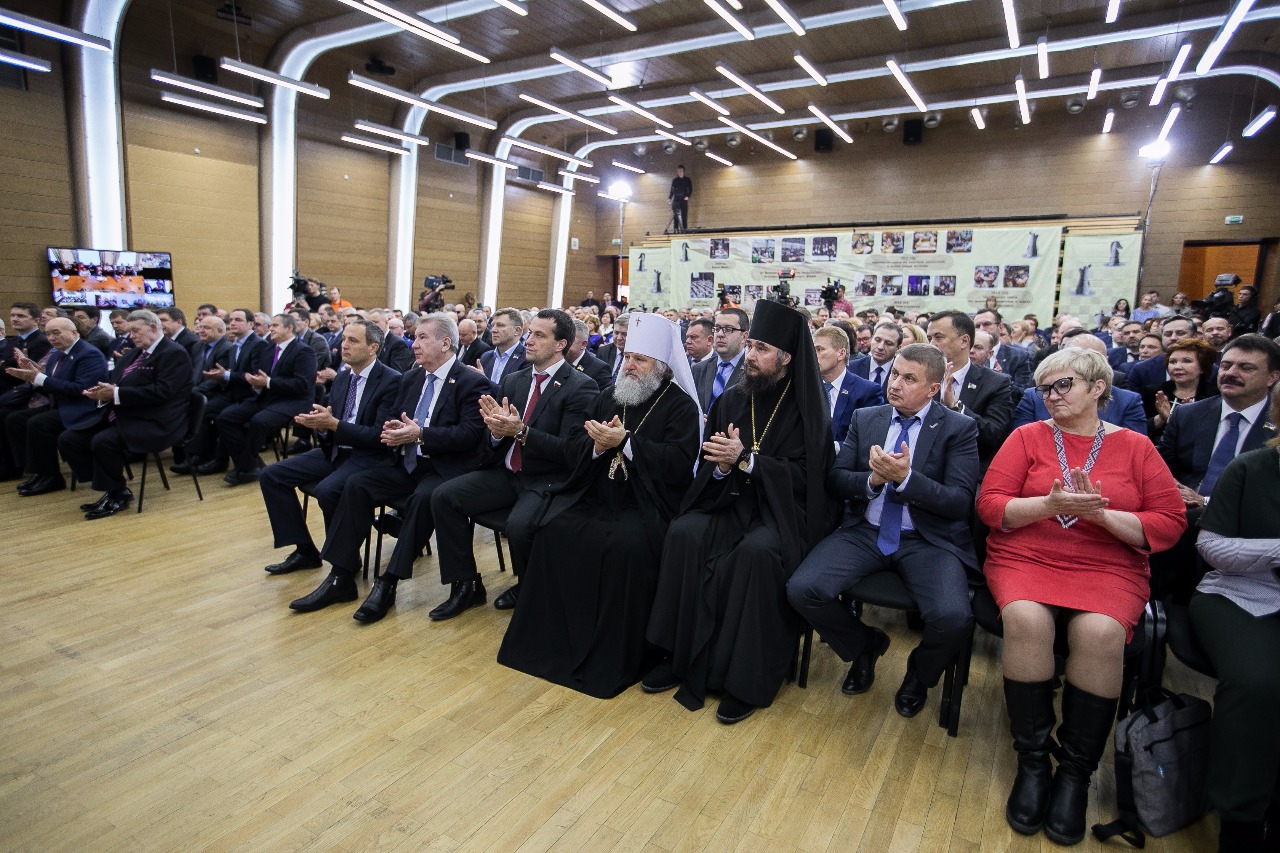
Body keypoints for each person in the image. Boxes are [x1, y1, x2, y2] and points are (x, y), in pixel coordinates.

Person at [976, 348, 1185, 845]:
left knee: (1101, 632)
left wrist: (1101, 517)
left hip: (1107, 564)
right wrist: (1046, 506)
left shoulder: (1136, 446)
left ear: (1097, 388)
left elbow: (1170, 522)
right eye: (1045, 388)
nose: (1051, 396)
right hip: (1027, 556)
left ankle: (1075, 772)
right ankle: (1033, 762)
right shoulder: (1027, 437)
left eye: (1063, 385)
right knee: (1026, 619)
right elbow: (990, 506)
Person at [644, 299, 839, 725]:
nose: (750, 355)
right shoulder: (733, 400)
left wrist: (747, 461)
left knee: (756, 554)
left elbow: (808, 478)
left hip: (782, 513)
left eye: (761, 349)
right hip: (729, 500)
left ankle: (745, 678)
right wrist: (720, 468)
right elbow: (709, 462)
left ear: (786, 358)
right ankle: (676, 655)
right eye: (750, 346)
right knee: (684, 532)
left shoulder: (809, 409)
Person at [498, 313, 701, 698]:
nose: (630, 365)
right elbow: (575, 445)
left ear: (661, 367)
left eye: (640, 360)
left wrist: (626, 443)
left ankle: (617, 651)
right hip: (597, 492)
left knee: (624, 547)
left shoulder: (680, 407)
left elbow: (678, 464)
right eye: (628, 357)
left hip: (647, 503)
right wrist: (595, 445)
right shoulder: (611, 395)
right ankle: (553, 641)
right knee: (553, 530)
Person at [788, 344, 980, 719]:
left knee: (953, 618)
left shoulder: (958, 428)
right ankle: (865, 645)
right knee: (802, 589)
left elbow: (959, 502)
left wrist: (907, 480)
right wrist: (873, 480)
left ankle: (919, 675)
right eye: (894, 373)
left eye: (909, 378)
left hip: (927, 540)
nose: (895, 384)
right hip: (866, 530)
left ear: (933, 389)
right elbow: (837, 479)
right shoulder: (868, 418)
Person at [289, 314, 494, 619]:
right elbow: (396, 419)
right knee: (357, 483)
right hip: (408, 463)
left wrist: (421, 434)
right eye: (415, 337)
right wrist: (395, 429)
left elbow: (469, 435)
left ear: (445, 343)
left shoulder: (471, 381)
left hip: (445, 467)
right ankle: (341, 575)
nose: (414, 344)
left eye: (423, 337)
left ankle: (388, 582)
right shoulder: (411, 378)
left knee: (424, 498)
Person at [428, 309, 599, 619]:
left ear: (561, 344)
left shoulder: (580, 386)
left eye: (539, 335)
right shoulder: (514, 380)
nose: (528, 340)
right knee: (443, 496)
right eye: (530, 333)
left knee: (518, 527)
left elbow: (571, 451)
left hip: (546, 479)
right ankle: (465, 585)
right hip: (507, 472)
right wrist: (496, 432)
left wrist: (521, 431)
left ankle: (528, 586)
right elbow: (495, 438)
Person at [1191, 385, 1280, 853]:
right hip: (1243, 593)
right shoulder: (1251, 467)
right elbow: (1213, 547)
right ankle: (1240, 816)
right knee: (1256, 684)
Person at [257, 319, 401, 577]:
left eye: (353, 341)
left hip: (369, 456)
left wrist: (333, 424)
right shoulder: (343, 377)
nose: (344, 345)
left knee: (327, 490)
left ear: (373, 348)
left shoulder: (391, 381)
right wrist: (322, 427)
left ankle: (345, 559)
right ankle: (305, 551)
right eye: (344, 339)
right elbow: (333, 424)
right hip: (337, 450)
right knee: (271, 475)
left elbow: (378, 436)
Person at [1153, 334, 1280, 603]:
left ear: (1272, 377)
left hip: (1249, 528)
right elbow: (1159, 469)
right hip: (1183, 519)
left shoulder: (1277, 424)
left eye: (1245, 367)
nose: (1231, 373)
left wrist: (1207, 502)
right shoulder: (1187, 414)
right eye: (1226, 365)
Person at [58, 310, 193, 519]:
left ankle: (117, 493)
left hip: (156, 419)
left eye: (136, 331)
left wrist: (115, 393)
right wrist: (102, 393)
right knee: (70, 439)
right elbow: (116, 383)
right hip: (126, 412)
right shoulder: (133, 353)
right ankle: (111, 486)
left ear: (153, 328)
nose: (131, 336)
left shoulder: (174, 353)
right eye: (130, 332)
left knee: (103, 442)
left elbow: (163, 392)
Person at [3, 317, 108, 495]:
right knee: (15, 419)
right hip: (61, 403)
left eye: (56, 333)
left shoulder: (89, 354)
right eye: (48, 333)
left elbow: (81, 389)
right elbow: (51, 385)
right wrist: (33, 376)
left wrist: (39, 378)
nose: (51, 337)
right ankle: (37, 470)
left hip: (83, 407)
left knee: (38, 423)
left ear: (73, 333)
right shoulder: (56, 354)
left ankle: (52, 477)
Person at [214, 313, 318, 485]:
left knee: (259, 421)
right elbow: (262, 376)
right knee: (225, 418)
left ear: (289, 328)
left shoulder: (303, 351)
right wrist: (255, 382)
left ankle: (245, 468)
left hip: (293, 401)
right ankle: (250, 465)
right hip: (267, 398)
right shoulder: (270, 349)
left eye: (275, 325)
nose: (271, 329)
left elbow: (302, 385)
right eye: (271, 326)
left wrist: (268, 382)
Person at [925, 310, 1014, 474]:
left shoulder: (995, 383)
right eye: (929, 338)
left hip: (967, 472)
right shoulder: (923, 377)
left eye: (938, 337)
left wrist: (956, 406)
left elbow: (994, 435)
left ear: (964, 341)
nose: (931, 344)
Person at [1012, 334, 1147, 433]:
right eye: (1073, 357)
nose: (1052, 396)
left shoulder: (1127, 401)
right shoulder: (1034, 397)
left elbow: (1133, 454)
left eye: (1091, 359)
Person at [813, 325, 883, 446]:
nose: (813, 355)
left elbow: (869, 440)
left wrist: (834, 448)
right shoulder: (806, 387)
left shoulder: (867, 391)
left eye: (819, 349)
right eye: (812, 350)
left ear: (841, 353)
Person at [1141, 337, 1218, 441]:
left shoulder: (1215, 395)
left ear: (1203, 367)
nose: (1177, 367)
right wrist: (1161, 418)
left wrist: (1189, 418)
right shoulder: (1154, 392)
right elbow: (1139, 430)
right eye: (1172, 362)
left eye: (1187, 361)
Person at [692, 307, 749, 412]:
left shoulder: (752, 370)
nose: (720, 334)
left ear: (744, 337)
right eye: (717, 329)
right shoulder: (699, 369)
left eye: (728, 329)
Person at [974, 308, 1033, 394]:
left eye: (987, 324)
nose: (982, 329)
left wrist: (1000, 379)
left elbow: (1023, 393)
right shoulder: (966, 354)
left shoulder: (1019, 356)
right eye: (977, 326)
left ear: (1000, 327)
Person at [477, 307, 527, 384]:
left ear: (517, 330)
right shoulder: (486, 357)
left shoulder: (526, 358)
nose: (493, 330)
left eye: (500, 325)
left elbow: (514, 390)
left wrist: (484, 381)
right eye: (493, 325)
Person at [567, 319, 613, 392]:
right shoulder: (555, 360)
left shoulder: (599, 369)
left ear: (583, 344)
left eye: (568, 340)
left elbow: (602, 397)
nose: (562, 344)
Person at [595, 313, 628, 380]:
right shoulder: (603, 352)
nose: (619, 338)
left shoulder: (639, 356)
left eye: (624, 334)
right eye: (616, 333)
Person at [668, 165, 692, 232]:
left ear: (683, 171)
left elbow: (690, 189)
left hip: (684, 199)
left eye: (681, 171)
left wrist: (688, 196)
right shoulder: (675, 180)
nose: (679, 172)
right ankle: (676, 229)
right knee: (676, 214)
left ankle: (684, 229)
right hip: (676, 199)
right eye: (678, 171)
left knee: (684, 214)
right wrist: (670, 198)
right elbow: (672, 190)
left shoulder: (687, 180)